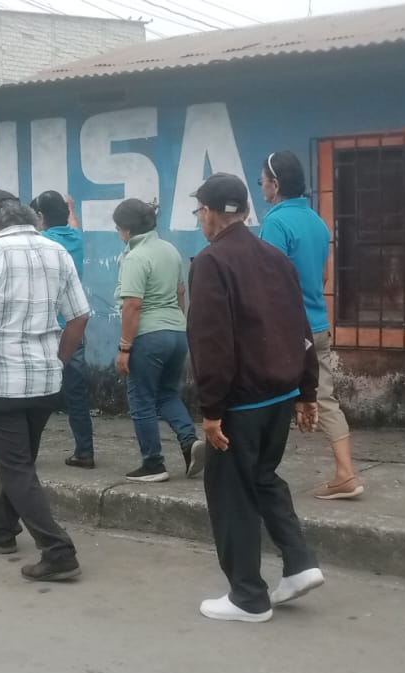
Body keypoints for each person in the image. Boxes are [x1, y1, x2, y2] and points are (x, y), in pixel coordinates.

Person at [187, 173, 325, 623]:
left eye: (200, 211)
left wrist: (211, 410)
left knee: (231, 493)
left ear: (210, 213)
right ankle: (299, 563)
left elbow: (211, 342)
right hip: (281, 394)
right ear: (244, 211)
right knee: (263, 477)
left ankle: (248, 596)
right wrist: (307, 391)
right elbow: (300, 326)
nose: (200, 219)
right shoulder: (274, 257)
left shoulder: (211, 262)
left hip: (240, 403)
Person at [0, 190, 91, 583]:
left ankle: (58, 550)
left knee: (15, 467)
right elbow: (79, 317)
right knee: (19, 462)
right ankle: (1, 528)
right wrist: (58, 361)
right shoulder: (57, 252)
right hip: (45, 381)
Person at [259, 150, 364, 501]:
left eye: (262, 181)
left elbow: (269, 282)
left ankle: (255, 471)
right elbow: (322, 276)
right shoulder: (317, 221)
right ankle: (346, 473)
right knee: (325, 398)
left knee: (263, 395)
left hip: (287, 328)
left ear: (275, 185)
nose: (262, 187)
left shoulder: (275, 223)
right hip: (317, 324)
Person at [111, 199, 198, 482]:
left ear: (127, 229)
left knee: (141, 400)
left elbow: (132, 305)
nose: (118, 233)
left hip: (148, 336)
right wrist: (178, 324)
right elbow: (181, 292)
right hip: (176, 332)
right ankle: (190, 442)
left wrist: (125, 347)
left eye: (118, 228)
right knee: (167, 394)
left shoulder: (135, 257)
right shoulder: (170, 250)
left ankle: (153, 464)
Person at [32, 191, 97, 468]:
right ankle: (85, 450)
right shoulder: (76, 239)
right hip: (73, 327)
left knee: (35, 391)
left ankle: (25, 449)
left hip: (47, 328)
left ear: (41, 217)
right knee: (76, 393)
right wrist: (71, 207)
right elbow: (74, 224)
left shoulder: (41, 242)